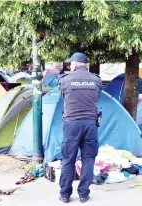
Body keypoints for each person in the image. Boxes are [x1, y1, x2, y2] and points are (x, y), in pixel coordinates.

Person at [58, 52, 102, 203]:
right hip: (90, 124)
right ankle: (83, 194)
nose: (70, 66)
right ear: (86, 65)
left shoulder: (65, 80)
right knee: (88, 159)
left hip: (71, 124)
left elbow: (64, 97)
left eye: (71, 64)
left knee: (68, 159)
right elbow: (96, 97)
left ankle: (64, 194)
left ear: (75, 64)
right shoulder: (96, 80)